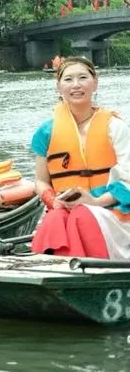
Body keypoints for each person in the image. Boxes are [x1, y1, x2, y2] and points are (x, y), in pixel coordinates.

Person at [29, 57, 130, 259]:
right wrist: (54, 200)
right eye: (68, 79)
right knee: (56, 218)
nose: (76, 85)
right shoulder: (46, 132)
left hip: (114, 212)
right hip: (66, 209)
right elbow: (41, 181)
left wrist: (96, 201)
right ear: (58, 87)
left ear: (95, 83)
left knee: (83, 214)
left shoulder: (115, 127)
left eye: (83, 77)